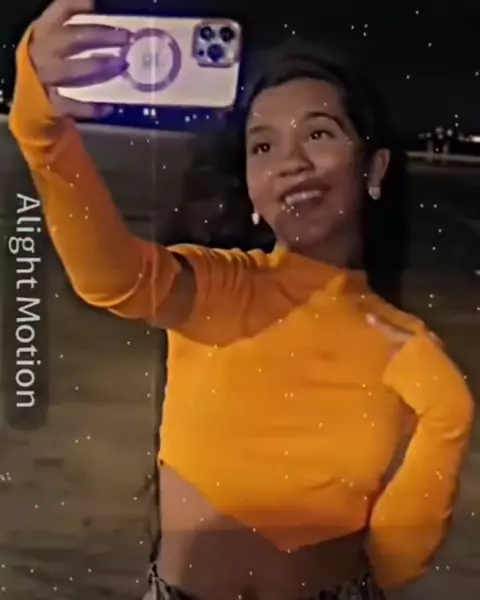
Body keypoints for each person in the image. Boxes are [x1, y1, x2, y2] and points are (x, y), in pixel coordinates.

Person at [9, 1, 475, 599]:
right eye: (262, 147)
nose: (290, 164)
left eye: (318, 134)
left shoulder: (406, 347)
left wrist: (449, 416)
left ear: (375, 169)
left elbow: (397, 560)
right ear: (252, 190)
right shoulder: (222, 287)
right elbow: (110, 277)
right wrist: (44, 135)